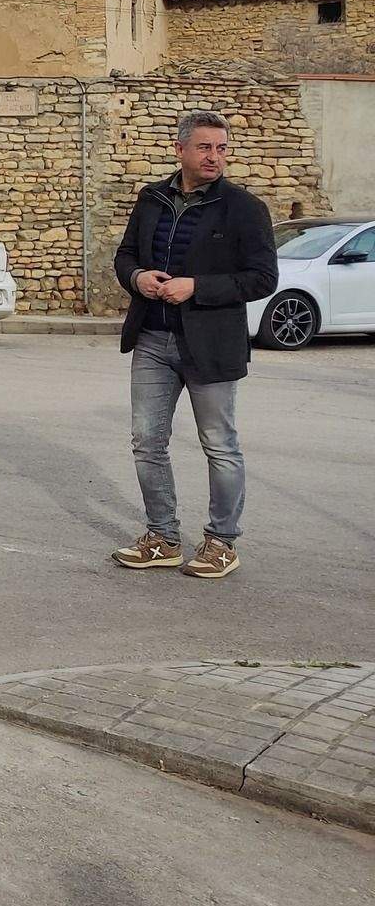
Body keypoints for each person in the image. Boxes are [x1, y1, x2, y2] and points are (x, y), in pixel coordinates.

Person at [111, 109, 275, 580]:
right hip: (153, 338)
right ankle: (162, 537)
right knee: (147, 442)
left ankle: (222, 542)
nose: (215, 157)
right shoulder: (152, 198)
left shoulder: (244, 208)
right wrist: (138, 276)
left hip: (212, 345)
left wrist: (195, 287)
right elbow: (125, 256)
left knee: (220, 444)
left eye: (222, 148)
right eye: (205, 147)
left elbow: (263, 278)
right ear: (180, 149)